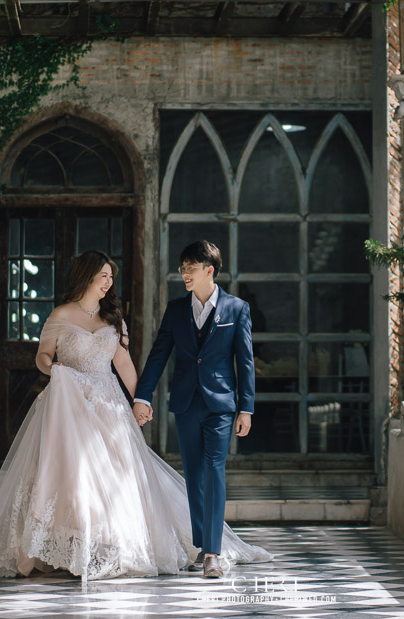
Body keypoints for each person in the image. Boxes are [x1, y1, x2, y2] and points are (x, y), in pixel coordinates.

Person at [0, 250, 270, 580]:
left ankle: (111, 547)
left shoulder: (113, 318)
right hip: (69, 403)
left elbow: (122, 362)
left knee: (113, 477)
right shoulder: (61, 316)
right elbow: (41, 357)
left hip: (108, 405)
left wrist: (140, 399)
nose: (108, 283)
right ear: (87, 276)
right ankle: (64, 549)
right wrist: (55, 369)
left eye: (110, 277)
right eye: (103, 276)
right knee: (70, 474)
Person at [133, 240, 254, 579]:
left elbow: (245, 363)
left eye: (190, 268)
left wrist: (247, 408)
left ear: (209, 270)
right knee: (194, 476)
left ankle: (213, 552)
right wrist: (143, 396)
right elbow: (159, 356)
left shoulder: (236, 309)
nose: (183, 273)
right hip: (186, 403)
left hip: (220, 405)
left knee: (214, 470)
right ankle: (202, 544)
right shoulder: (175, 310)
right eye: (182, 268)